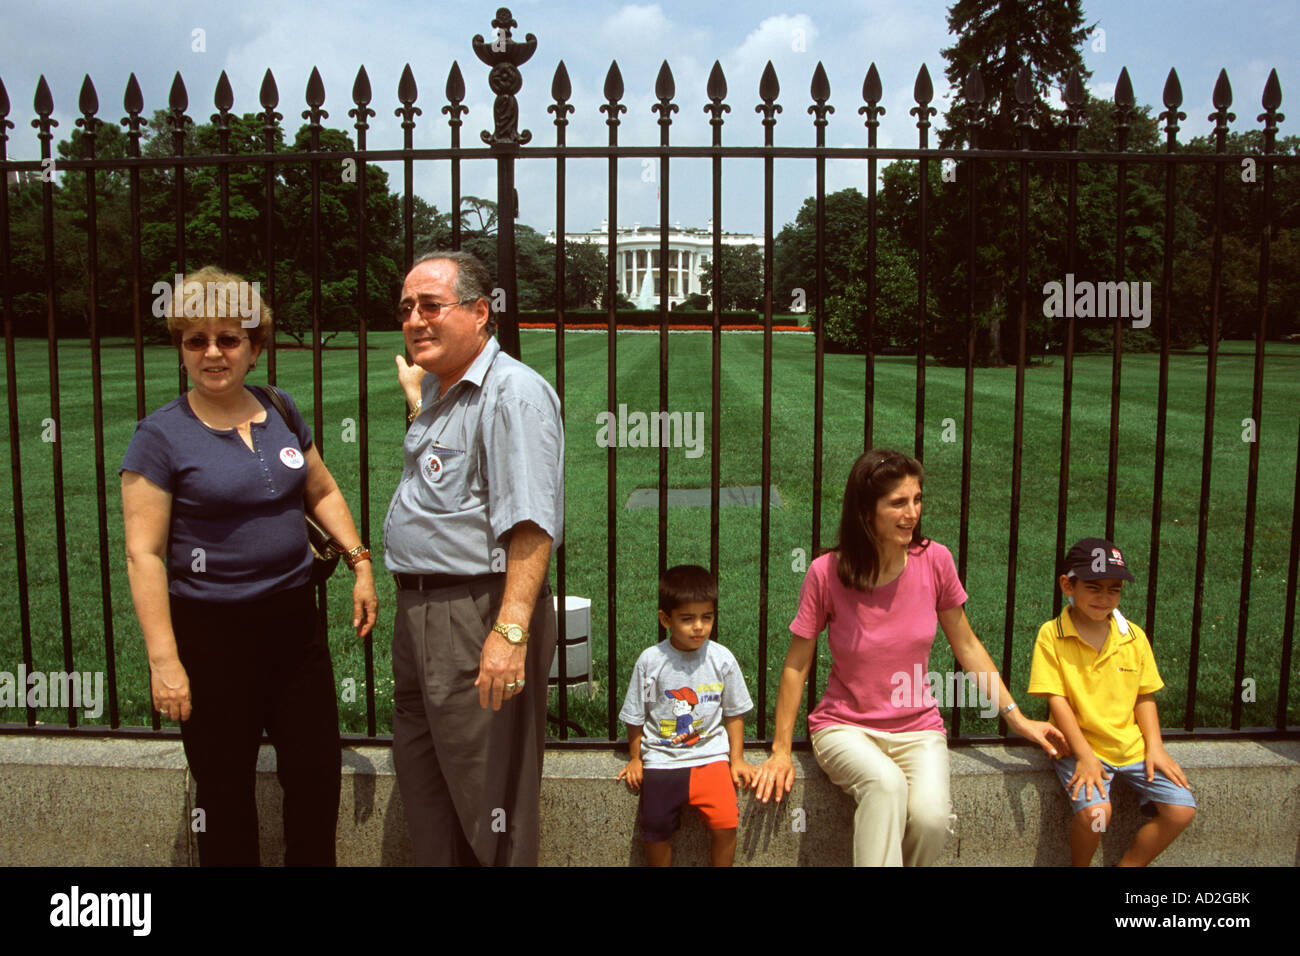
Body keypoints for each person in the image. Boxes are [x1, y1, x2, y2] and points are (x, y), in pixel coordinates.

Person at [121, 266, 377, 867]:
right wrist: (165, 662)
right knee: (224, 790)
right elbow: (144, 554)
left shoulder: (279, 408)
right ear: (181, 348)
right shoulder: (159, 437)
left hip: (293, 626)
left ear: (255, 348)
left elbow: (321, 490)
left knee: (315, 777)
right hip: (211, 634)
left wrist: (360, 562)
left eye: (229, 338)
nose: (213, 353)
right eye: (195, 340)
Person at [751, 448, 1067, 866]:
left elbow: (967, 645)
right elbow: (796, 664)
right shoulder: (826, 572)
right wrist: (779, 750)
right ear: (866, 511)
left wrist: (1017, 718)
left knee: (932, 819)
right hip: (845, 727)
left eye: (917, 499)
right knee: (885, 785)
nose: (912, 513)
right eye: (898, 503)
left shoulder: (935, 561)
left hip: (919, 728)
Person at [386, 250, 563, 866]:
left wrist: (510, 631)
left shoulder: (513, 396)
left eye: (431, 306)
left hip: (475, 613)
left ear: (480, 312)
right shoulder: (442, 390)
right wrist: (417, 398)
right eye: (406, 307)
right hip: (421, 613)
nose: (414, 320)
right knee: (429, 789)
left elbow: (532, 525)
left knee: (490, 799)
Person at [1028, 538, 1196, 866]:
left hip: (1130, 748)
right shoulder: (1052, 634)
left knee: (1181, 810)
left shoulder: (1133, 636)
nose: (1105, 598)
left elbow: (1144, 696)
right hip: (1080, 747)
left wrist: (1156, 747)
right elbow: (1056, 699)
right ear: (1067, 585)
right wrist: (1086, 756)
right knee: (1097, 815)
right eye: (1094, 587)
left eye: (1114, 589)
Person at [616, 565, 756, 866]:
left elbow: (734, 713)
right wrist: (636, 758)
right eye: (687, 618)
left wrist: (738, 758)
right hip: (662, 760)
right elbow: (635, 715)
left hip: (711, 757)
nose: (699, 627)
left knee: (726, 820)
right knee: (654, 827)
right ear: (665, 619)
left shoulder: (722, 659)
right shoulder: (651, 662)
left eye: (707, 617)